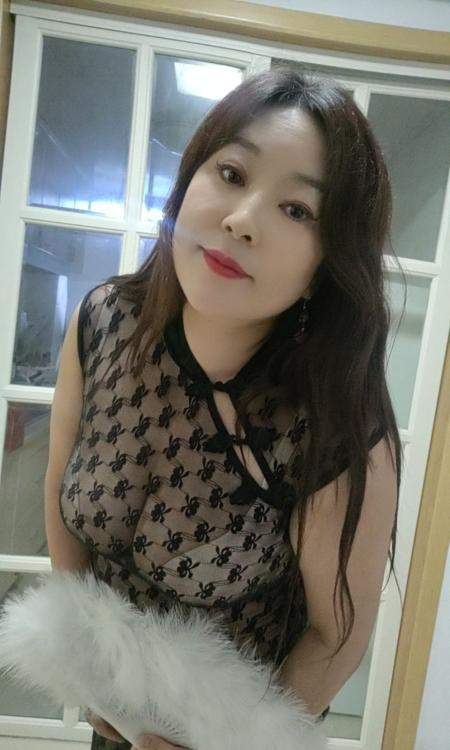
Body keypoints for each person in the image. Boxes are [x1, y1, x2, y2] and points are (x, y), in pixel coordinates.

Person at [44, 67, 401, 750]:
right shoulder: (103, 322)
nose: (242, 220)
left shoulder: (337, 425)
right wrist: (85, 666)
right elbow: (63, 498)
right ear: (188, 183)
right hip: (113, 722)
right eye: (232, 174)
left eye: (296, 210)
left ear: (327, 263)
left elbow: (338, 635)